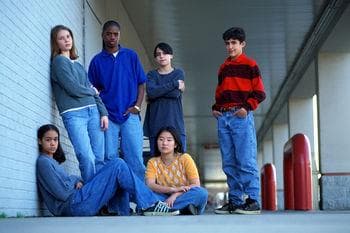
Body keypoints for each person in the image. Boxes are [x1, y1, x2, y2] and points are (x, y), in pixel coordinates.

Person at [36, 124, 179, 216]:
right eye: (48, 140)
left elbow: (66, 185)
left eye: (55, 139)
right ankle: (151, 204)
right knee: (117, 164)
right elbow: (62, 193)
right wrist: (75, 179)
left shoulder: (52, 162)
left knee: (119, 174)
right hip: (73, 205)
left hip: (78, 202)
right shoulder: (43, 163)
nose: (53, 143)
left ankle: (123, 211)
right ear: (39, 141)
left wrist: (77, 180)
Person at [212, 27, 266, 215]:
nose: (230, 47)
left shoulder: (250, 65)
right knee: (228, 161)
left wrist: (246, 108)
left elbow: (260, 93)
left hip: (240, 116)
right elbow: (220, 92)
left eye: (234, 43)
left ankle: (253, 201)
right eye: (227, 43)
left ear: (242, 44)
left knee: (245, 159)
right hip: (223, 117)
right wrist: (215, 108)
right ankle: (235, 201)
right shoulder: (223, 67)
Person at [50, 25, 108, 182]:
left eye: (68, 36)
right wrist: (92, 91)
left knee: (99, 158)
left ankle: (101, 201)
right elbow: (73, 88)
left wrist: (103, 112)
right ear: (56, 43)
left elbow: (91, 89)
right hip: (74, 114)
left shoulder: (78, 65)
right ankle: (92, 199)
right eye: (61, 38)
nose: (66, 40)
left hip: (93, 112)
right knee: (86, 156)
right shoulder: (58, 62)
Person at [88, 20, 145, 180]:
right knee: (110, 160)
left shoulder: (131, 56)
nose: (112, 37)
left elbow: (141, 83)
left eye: (115, 34)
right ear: (103, 35)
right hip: (108, 118)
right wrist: (101, 112)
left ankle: (142, 203)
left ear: (119, 36)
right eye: (109, 34)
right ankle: (116, 204)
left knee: (135, 160)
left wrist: (137, 107)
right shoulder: (96, 61)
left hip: (130, 115)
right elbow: (93, 91)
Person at [145, 126, 208, 215]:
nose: (164, 143)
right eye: (161, 139)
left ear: (175, 144)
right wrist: (172, 190)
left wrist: (175, 195)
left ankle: (163, 209)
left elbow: (196, 184)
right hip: (162, 197)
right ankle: (182, 209)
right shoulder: (153, 162)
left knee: (201, 193)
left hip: (182, 196)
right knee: (145, 192)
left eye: (169, 140)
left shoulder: (185, 158)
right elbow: (150, 185)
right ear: (157, 142)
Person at [143, 42, 186, 156]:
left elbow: (175, 94)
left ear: (171, 55)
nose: (161, 56)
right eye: (158, 54)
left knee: (179, 161)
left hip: (175, 123)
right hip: (156, 123)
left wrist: (158, 91)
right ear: (156, 58)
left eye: (165, 53)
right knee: (157, 162)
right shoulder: (151, 75)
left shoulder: (178, 73)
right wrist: (174, 84)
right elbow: (151, 92)